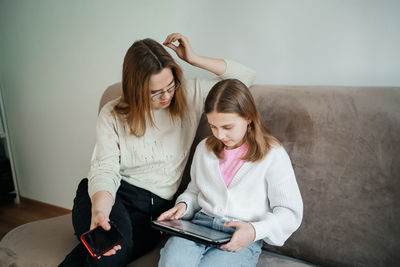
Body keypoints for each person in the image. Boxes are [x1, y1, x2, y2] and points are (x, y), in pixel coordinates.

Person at [60, 33, 256, 266]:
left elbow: (245, 78)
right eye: (156, 92)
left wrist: (193, 58)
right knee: (109, 253)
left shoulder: (189, 96)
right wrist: (100, 211)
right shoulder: (113, 114)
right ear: (136, 89)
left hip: (153, 213)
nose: (166, 96)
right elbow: (104, 170)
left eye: (171, 86)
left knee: (104, 253)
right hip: (112, 195)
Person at [157, 79, 303, 267]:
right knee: (172, 262)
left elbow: (289, 213)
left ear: (248, 117)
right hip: (198, 225)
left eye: (227, 127)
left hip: (241, 232)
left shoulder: (273, 154)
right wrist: (183, 205)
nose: (219, 135)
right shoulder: (204, 149)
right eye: (213, 126)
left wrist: (254, 230)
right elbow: (194, 191)